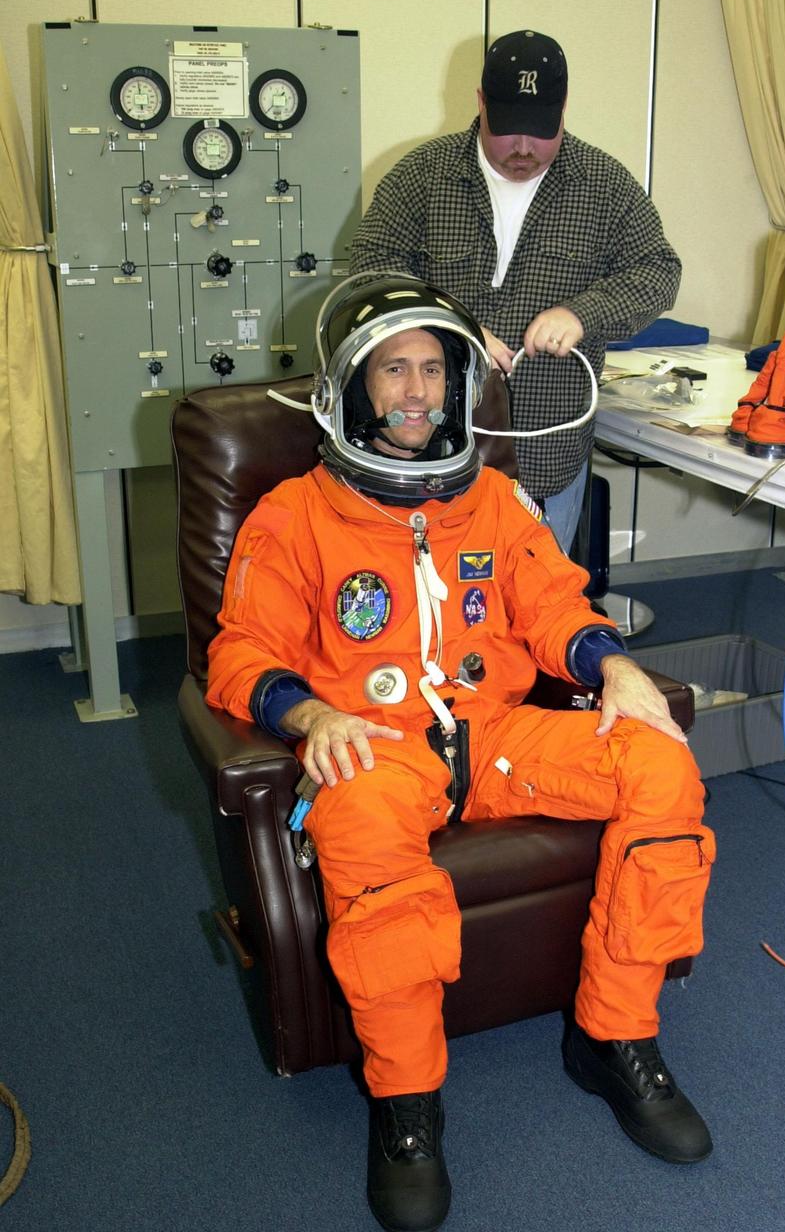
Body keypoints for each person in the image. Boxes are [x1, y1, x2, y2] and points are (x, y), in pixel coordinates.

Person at [205, 276, 714, 1232]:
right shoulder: (294, 514)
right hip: (380, 747)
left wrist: (613, 666)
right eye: (394, 369)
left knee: (659, 762)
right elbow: (241, 653)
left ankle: (614, 1036)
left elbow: (554, 603)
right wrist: (312, 718)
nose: (417, 391)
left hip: (498, 735)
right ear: (352, 388)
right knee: (360, 822)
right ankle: (406, 1103)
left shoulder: (493, 499)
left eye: (434, 369)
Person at [349, 29, 682, 553]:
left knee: (537, 594)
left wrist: (582, 313)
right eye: (507, 130)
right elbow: (369, 269)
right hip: (431, 451)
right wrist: (451, 325)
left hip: (547, 455)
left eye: (540, 131)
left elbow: (658, 271)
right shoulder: (424, 175)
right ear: (481, 102)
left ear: (563, 108)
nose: (523, 148)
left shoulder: (605, 185)